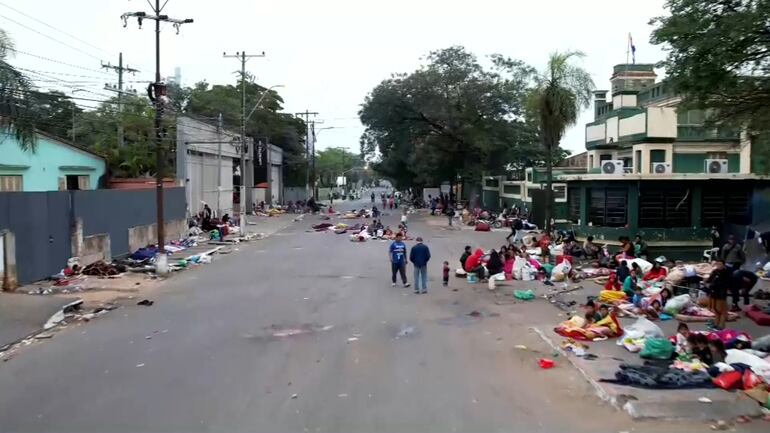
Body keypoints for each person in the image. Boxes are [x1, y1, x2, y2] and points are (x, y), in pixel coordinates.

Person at [706, 259, 731, 330]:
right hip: (713, 293)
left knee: (722, 311)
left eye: (720, 264)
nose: (718, 266)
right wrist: (707, 283)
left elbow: (725, 284)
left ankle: (721, 325)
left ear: (723, 265)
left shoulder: (726, 273)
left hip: (721, 294)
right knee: (716, 309)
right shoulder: (714, 272)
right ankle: (716, 323)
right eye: (717, 264)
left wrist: (713, 285)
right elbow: (709, 280)